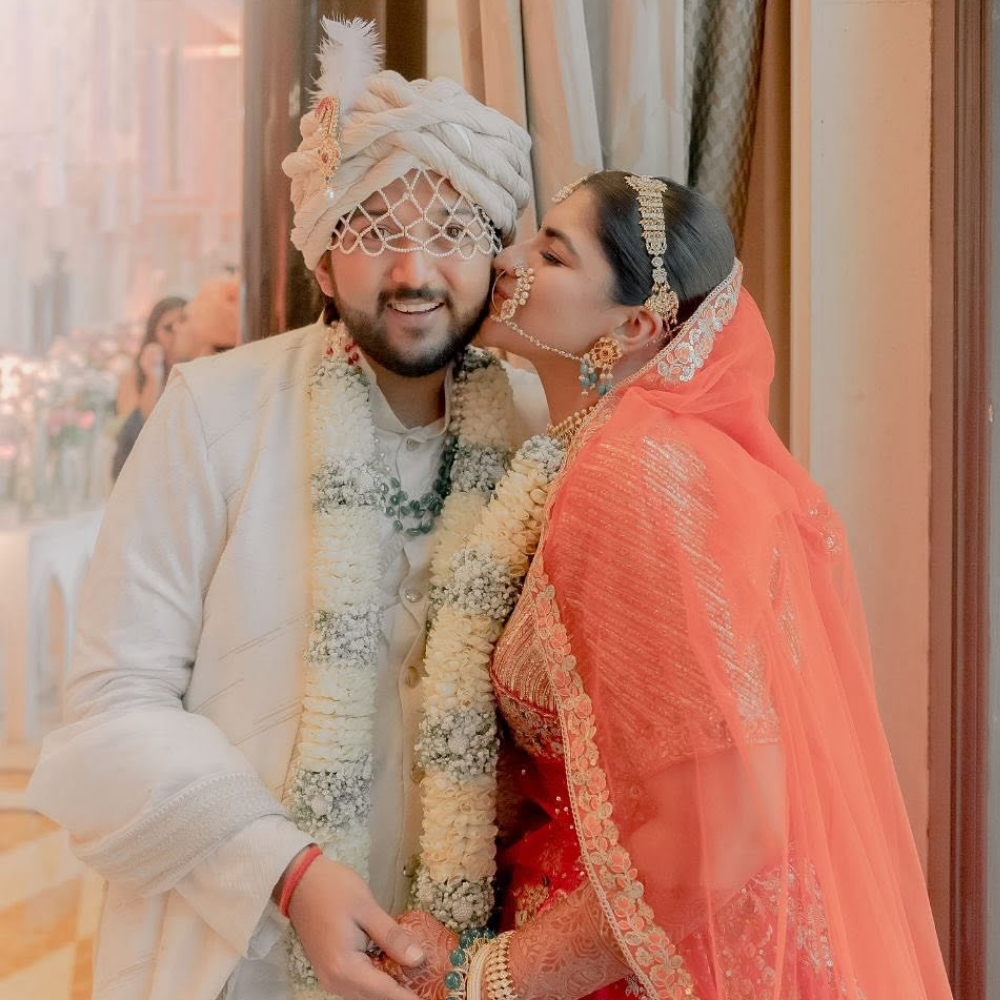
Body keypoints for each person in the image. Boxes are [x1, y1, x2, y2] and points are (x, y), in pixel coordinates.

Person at [28, 17, 545, 1000]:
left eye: (448, 232)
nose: (412, 273)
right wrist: (287, 872)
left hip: (482, 959)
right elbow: (107, 706)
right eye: (372, 233)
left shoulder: (538, 428)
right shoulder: (212, 414)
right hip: (243, 957)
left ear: (496, 256)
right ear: (318, 261)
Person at [385, 171, 954, 999]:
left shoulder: (632, 473)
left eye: (552, 252)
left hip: (631, 968)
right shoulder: (604, 456)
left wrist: (491, 978)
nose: (509, 262)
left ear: (639, 324)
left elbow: (729, 819)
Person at [111, 296, 185, 479]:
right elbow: (135, 433)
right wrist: (154, 377)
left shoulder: (200, 370)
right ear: (154, 333)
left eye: (183, 324)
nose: (177, 333)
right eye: (168, 328)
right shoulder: (134, 376)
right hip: (144, 475)